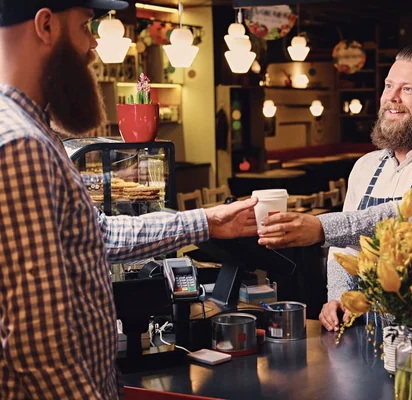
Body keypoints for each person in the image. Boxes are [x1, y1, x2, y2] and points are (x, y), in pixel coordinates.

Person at [0, 2, 257, 399]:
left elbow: (95, 236)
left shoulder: (34, 131)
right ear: (46, 25)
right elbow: (39, 346)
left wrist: (206, 221)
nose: (93, 46)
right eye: (86, 27)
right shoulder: (22, 145)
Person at [257, 45, 412, 332]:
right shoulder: (365, 166)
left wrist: (320, 227)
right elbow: (347, 249)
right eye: (389, 85)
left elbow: (406, 217)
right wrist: (338, 297)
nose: (392, 98)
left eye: (408, 89)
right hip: (362, 330)